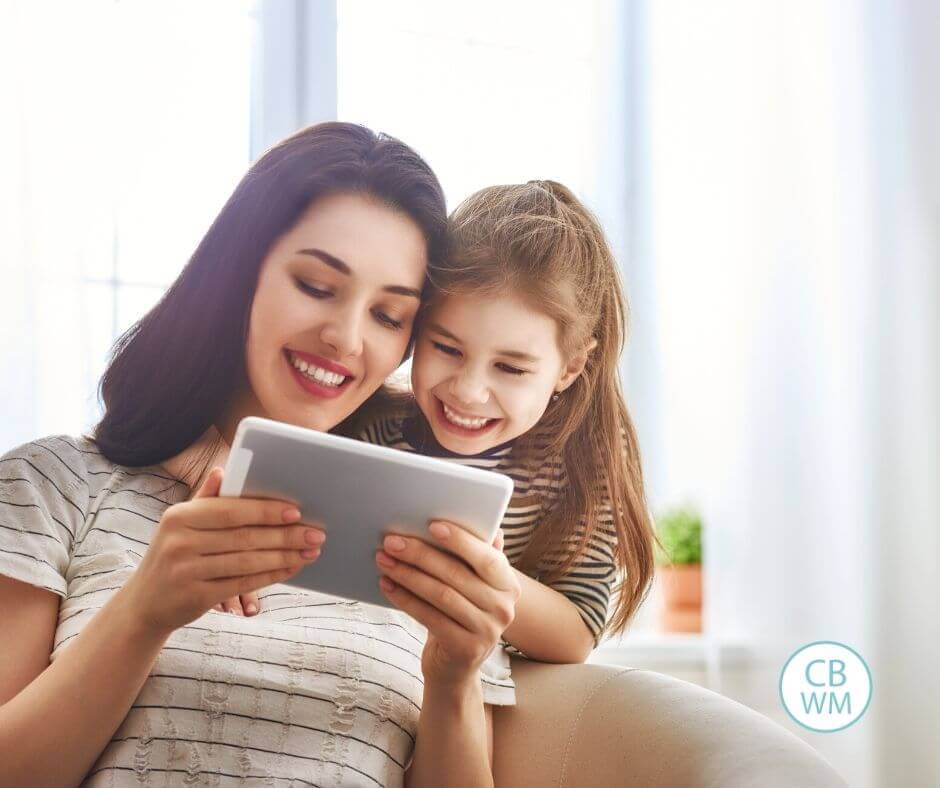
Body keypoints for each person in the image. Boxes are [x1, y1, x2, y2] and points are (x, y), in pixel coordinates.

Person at [0, 122, 520, 787]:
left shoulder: (438, 543)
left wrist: (453, 679)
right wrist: (144, 611)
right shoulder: (52, 487)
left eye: (389, 317)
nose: (345, 338)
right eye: (316, 285)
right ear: (241, 272)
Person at [231, 180, 658, 689]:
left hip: (462, 691)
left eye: (511, 368)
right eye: (447, 349)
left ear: (570, 367)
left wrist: (477, 579)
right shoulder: (371, 423)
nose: (469, 392)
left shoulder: (584, 465)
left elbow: (577, 634)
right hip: (348, 668)